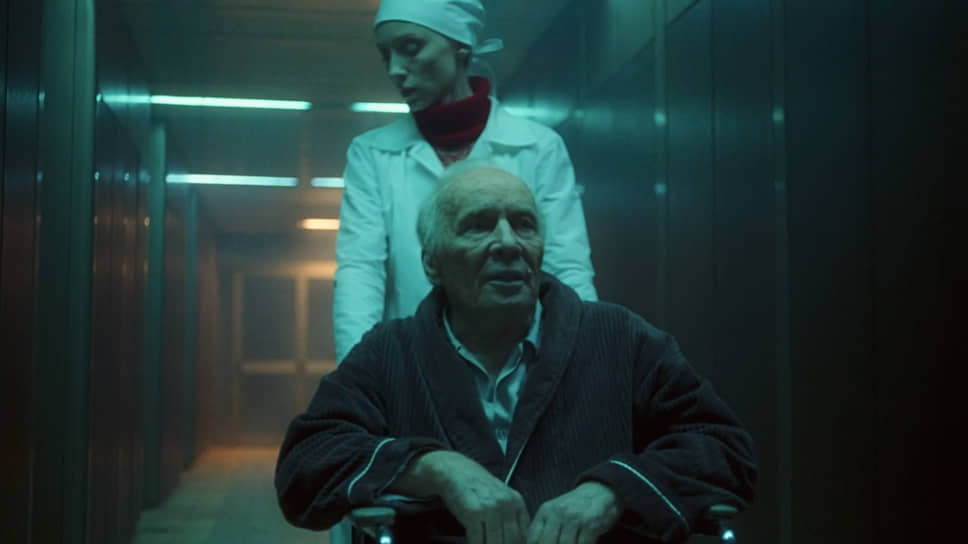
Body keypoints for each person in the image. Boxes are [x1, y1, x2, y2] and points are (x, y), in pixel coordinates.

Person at [277, 163, 757, 543]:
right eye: (478, 226)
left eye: (523, 225)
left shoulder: (619, 338)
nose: (508, 243)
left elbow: (723, 448)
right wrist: (434, 468)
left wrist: (615, 489)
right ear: (432, 263)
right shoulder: (390, 351)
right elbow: (306, 463)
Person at [333, 0, 598, 363]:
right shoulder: (372, 154)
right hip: (413, 369)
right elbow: (360, 271)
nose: (395, 69)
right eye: (386, 55)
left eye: (410, 48)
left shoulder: (538, 147)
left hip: (523, 368)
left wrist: (585, 367)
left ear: (460, 47)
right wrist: (356, 375)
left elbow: (567, 267)